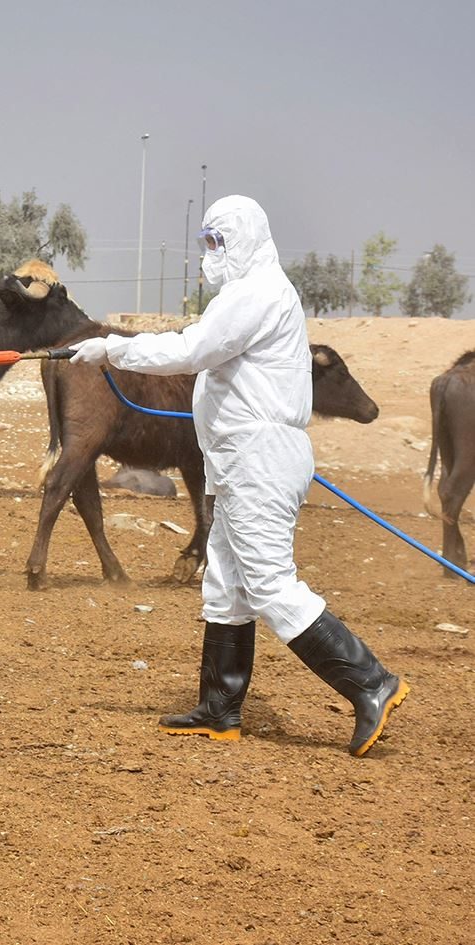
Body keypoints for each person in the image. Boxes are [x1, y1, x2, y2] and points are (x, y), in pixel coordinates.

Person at [69, 195, 408, 757]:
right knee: (226, 583)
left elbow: (195, 348)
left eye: (218, 241)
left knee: (270, 582)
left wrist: (112, 348)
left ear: (246, 238)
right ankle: (220, 707)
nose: (210, 254)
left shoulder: (258, 292)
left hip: (260, 457)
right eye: (207, 242)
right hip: (238, 458)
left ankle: (371, 681)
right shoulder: (251, 293)